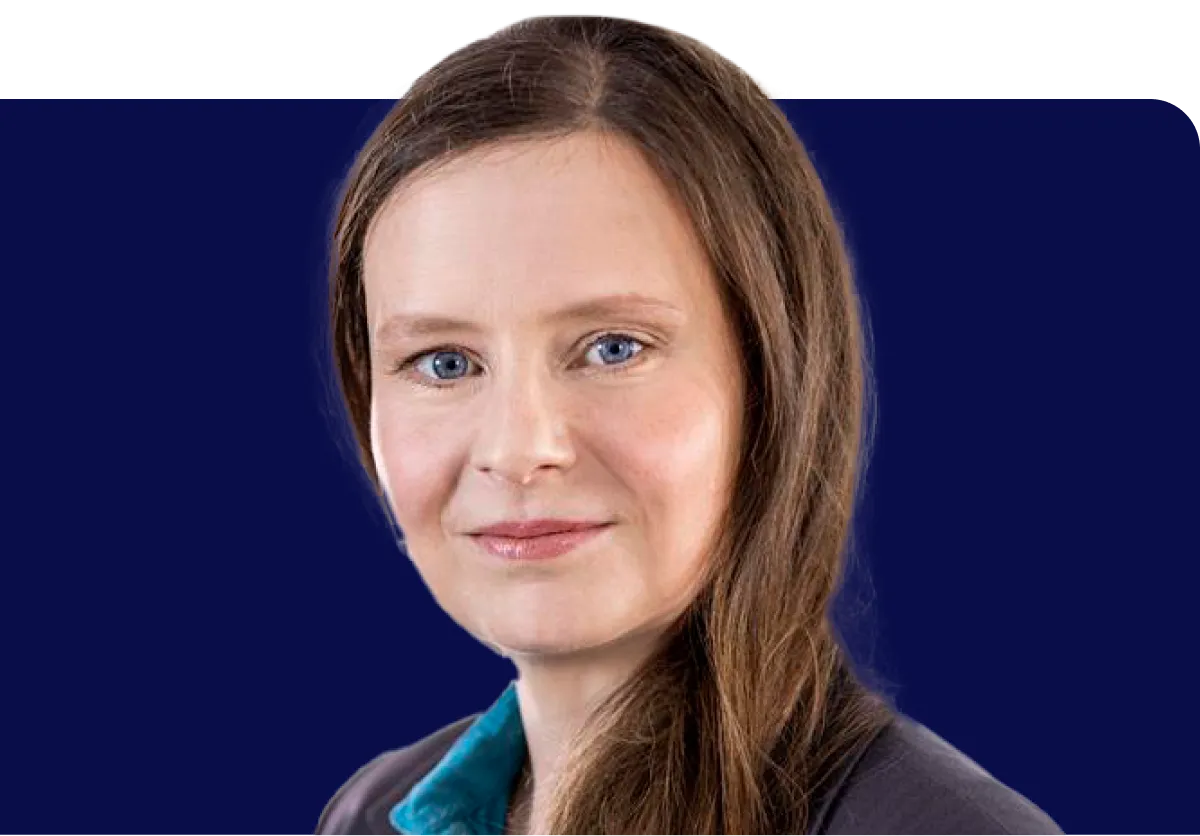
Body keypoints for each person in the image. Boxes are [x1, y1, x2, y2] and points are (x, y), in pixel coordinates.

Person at [314, 13, 1064, 836]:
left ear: (772, 380)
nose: (518, 449)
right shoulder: (372, 813)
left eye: (613, 348)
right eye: (444, 362)